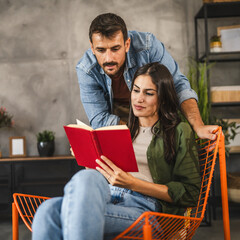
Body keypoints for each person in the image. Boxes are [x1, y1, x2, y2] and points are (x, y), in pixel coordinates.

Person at [32, 62, 201, 240]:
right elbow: (107, 177)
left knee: (51, 212)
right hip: (108, 198)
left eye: (148, 93)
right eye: (136, 90)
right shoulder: (123, 132)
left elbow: (190, 193)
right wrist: (89, 159)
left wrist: (132, 184)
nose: (139, 98)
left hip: (146, 211)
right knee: (55, 203)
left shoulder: (179, 131)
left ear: (163, 98)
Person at [76, 13, 217, 140]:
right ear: (92, 47)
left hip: (155, 115)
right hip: (118, 122)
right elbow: (100, 119)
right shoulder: (86, 69)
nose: (108, 58)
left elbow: (179, 86)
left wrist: (198, 126)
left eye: (115, 49)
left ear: (127, 44)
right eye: (101, 50)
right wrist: (140, 137)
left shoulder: (148, 47)